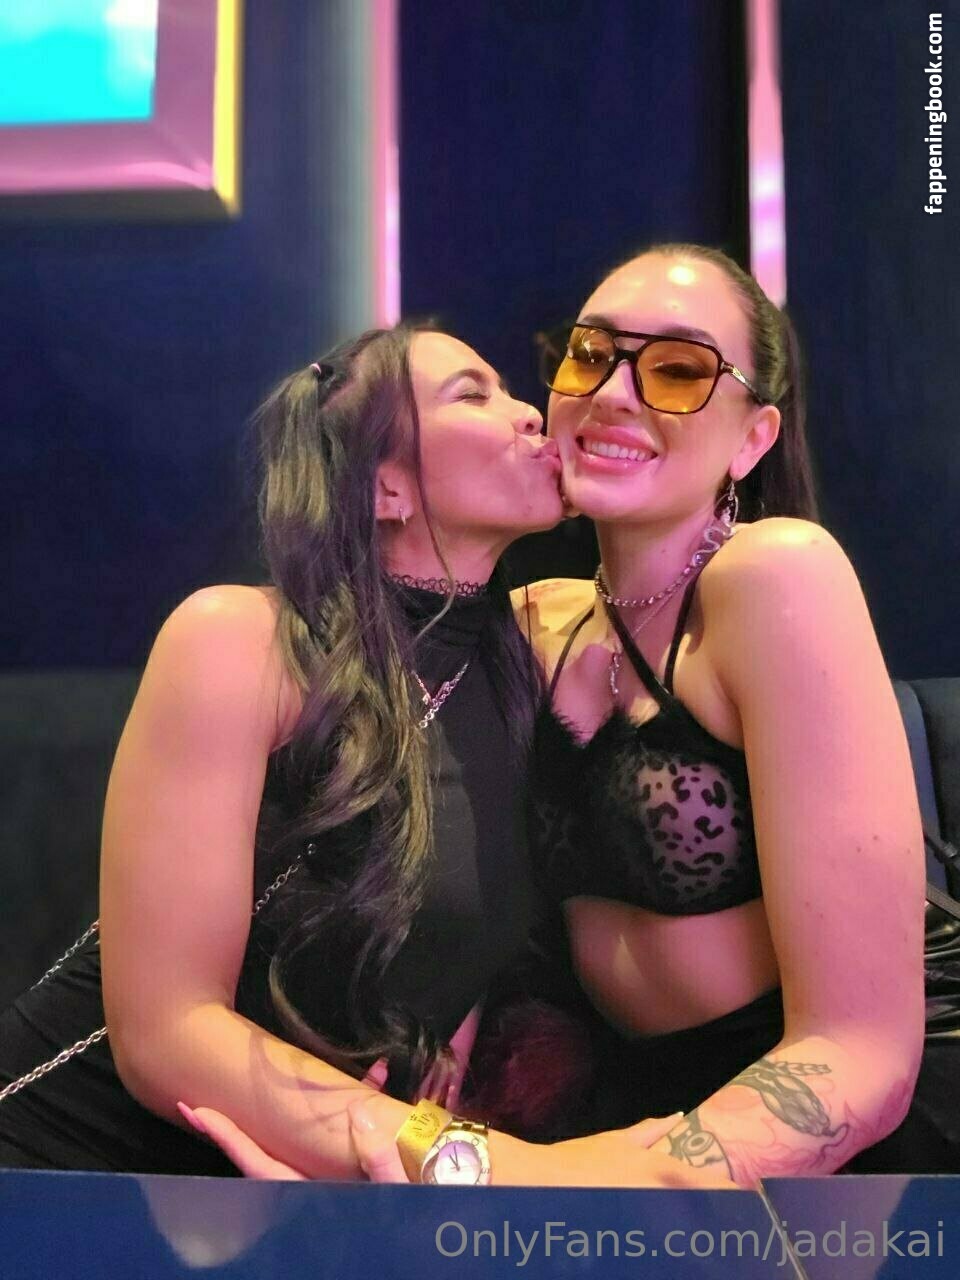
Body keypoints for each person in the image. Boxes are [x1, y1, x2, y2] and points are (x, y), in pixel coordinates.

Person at [191, 244, 960, 1186]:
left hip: (856, 1130)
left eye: (677, 369)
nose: (614, 393)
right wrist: (350, 1144)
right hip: (635, 1117)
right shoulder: (522, 628)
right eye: (591, 355)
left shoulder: (776, 577)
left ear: (753, 439)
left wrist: (553, 1185)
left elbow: (862, 1054)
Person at [0, 323, 568, 1174]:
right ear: (384, 486)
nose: (529, 412)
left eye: (512, 389)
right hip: (66, 1164)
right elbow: (166, 1034)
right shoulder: (243, 642)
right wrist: (455, 1164)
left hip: (287, 1194)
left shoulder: (527, 666)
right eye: (472, 394)